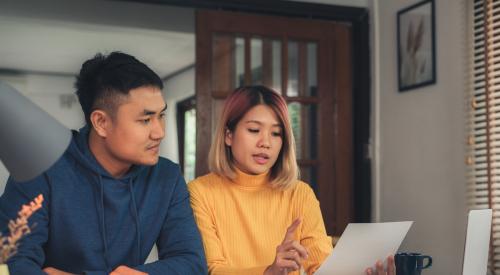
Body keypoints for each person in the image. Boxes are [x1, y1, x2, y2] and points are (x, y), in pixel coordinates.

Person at [0, 52, 207, 275]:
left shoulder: (166, 176)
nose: (160, 132)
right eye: (145, 120)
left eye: (161, 116)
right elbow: (13, 263)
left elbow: (192, 263)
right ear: (101, 122)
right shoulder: (40, 167)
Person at [188, 85, 395, 275]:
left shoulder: (300, 194)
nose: (266, 143)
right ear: (228, 135)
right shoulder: (200, 192)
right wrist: (269, 271)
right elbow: (211, 270)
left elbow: (322, 267)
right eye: (254, 130)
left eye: (276, 133)